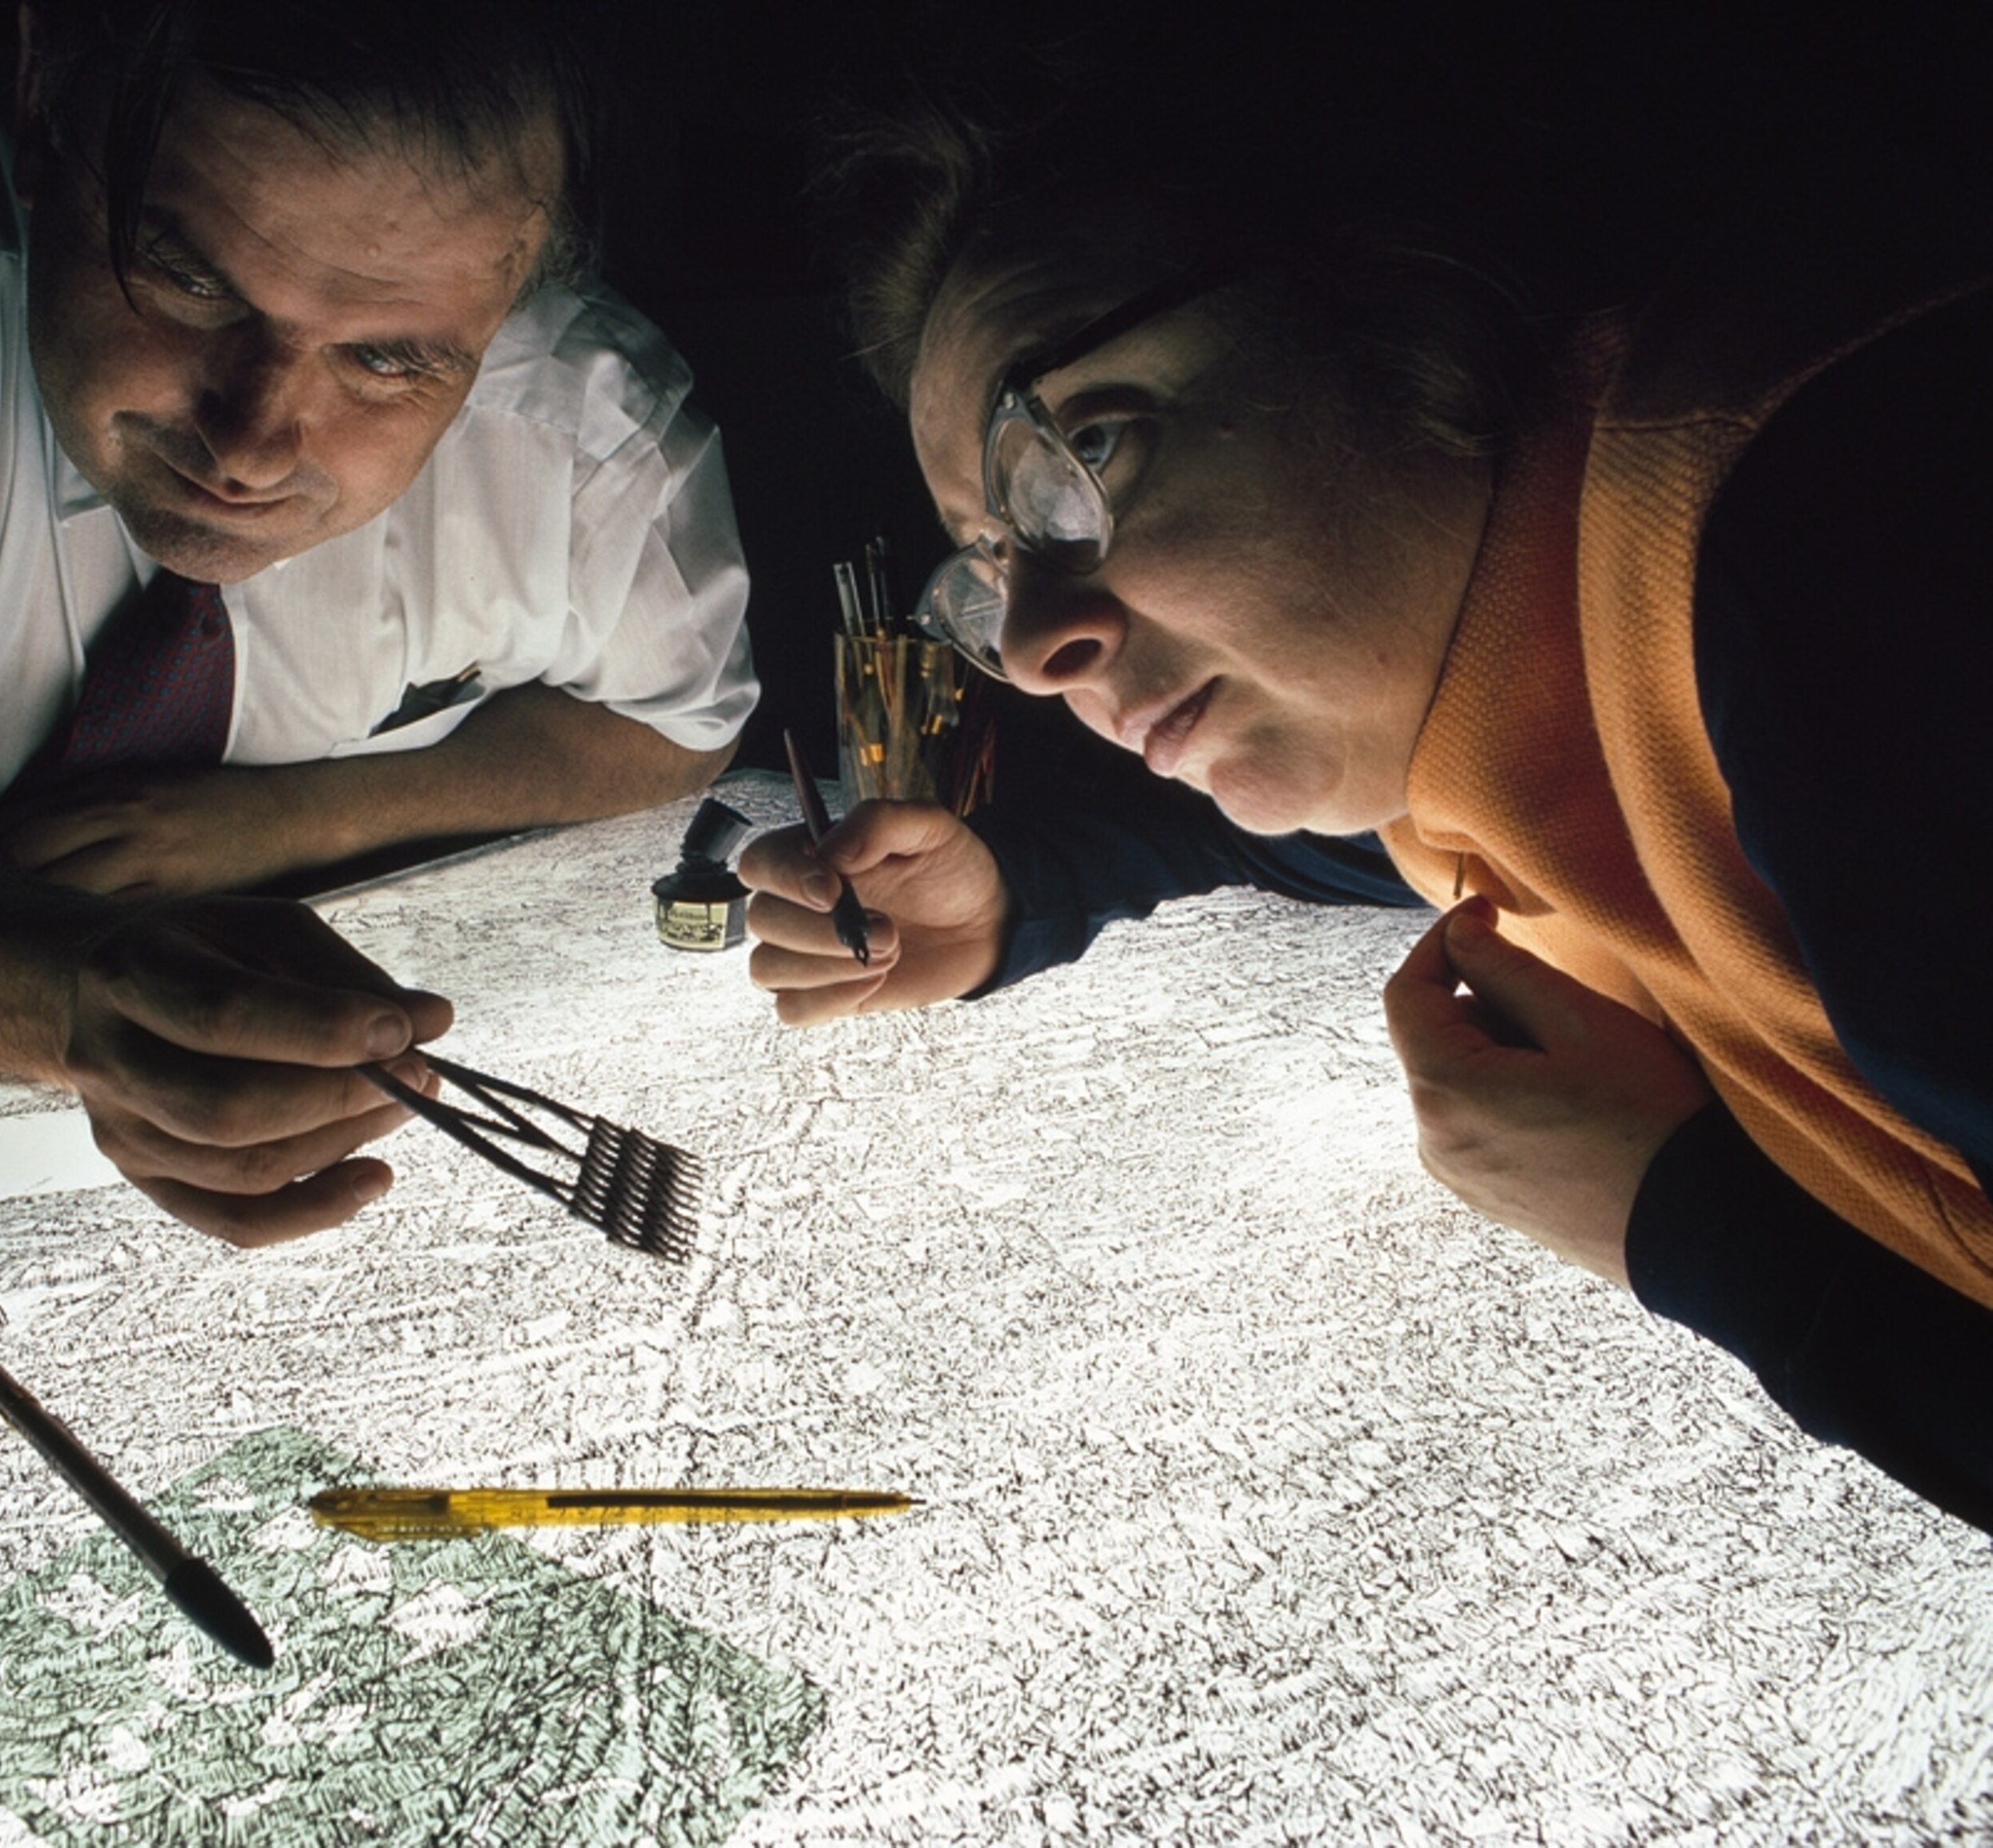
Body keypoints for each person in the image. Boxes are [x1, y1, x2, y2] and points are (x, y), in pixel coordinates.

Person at [741, 20, 1993, 1529]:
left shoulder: (1855, 559)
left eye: (1094, 446)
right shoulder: (1506, 695)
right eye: (995, 561)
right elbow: (1290, 848)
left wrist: (1700, 1239)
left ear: (1406, 290)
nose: (1039, 638)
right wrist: (1018, 891)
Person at [0, 2, 756, 1247]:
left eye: (390, 363)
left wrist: (293, 817)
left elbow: (680, 726)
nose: (249, 444)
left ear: (511, 295)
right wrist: (74, 1004)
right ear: (46, 106)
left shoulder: (595, 440)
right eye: (190, 282)